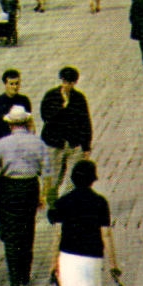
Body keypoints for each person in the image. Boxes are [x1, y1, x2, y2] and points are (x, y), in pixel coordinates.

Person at [48, 160, 118, 286]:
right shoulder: (100, 202)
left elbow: (58, 234)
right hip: (92, 257)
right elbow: (105, 234)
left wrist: (54, 263)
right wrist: (114, 263)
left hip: (68, 256)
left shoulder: (64, 201)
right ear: (92, 180)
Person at [0, 106, 46, 286]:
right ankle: (25, 273)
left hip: (9, 188)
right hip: (29, 186)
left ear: (10, 123)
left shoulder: (2, 143)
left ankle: (14, 281)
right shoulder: (37, 142)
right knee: (28, 230)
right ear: (27, 122)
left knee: (11, 235)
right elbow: (47, 170)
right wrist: (43, 195)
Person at [40, 68, 93, 204]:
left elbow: (85, 122)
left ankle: (65, 203)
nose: (67, 85)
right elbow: (46, 116)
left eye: (70, 83)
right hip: (54, 144)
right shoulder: (51, 96)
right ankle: (52, 206)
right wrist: (62, 107)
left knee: (73, 178)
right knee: (53, 178)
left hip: (73, 143)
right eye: (65, 82)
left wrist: (86, 147)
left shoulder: (79, 98)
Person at [0, 69, 31, 151]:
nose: (15, 87)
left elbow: (29, 123)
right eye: (11, 84)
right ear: (5, 84)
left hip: (18, 145)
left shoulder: (24, 101)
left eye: (17, 83)